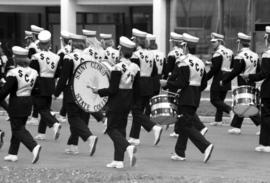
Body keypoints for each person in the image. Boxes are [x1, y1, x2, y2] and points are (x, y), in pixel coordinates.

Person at [160, 33, 214, 163]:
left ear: (185, 46)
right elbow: (204, 83)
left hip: (185, 97)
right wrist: (195, 91)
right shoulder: (200, 62)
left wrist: (166, 84)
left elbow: (181, 83)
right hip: (195, 96)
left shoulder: (183, 62)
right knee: (185, 123)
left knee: (185, 124)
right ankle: (180, 152)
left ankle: (206, 146)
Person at [92, 36, 140, 169]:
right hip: (128, 99)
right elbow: (137, 88)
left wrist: (98, 91)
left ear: (121, 51)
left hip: (117, 100)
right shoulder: (135, 67)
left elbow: (112, 90)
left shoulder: (117, 68)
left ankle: (127, 147)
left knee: (111, 128)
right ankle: (118, 160)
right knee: (121, 129)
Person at [54, 33, 98, 155]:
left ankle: (89, 137)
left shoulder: (70, 57)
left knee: (73, 118)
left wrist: (56, 93)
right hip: (86, 91)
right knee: (81, 119)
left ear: (72, 43)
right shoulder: (90, 58)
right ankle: (73, 145)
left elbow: (64, 78)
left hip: (72, 90)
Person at [0, 46, 41, 163]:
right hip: (28, 101)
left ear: (16, 59)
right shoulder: (34, 72)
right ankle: (13, 153)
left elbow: (5, 91)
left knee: (18, 129)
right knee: (18, 127)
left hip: (16, 102)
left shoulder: (13, 73)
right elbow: (37, 90)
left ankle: (34, 147)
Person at [128, 28, 163, 146]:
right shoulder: (150, 54)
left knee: (136, 111)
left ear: (136, 41)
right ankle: (134, 137)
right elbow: (154, 73)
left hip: (138, 84)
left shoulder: (135, 55)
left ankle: (153, 127)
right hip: (148, 84)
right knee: (139, 110)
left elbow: (134, 72)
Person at [222, 32, 261, 134]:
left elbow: (235, 71)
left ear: (239, 42)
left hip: (243, 82)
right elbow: (259, 70)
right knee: (242, 104)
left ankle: (263, 125)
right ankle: (236, 126)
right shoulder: (255, 55)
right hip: (252, 81)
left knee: (247, 105)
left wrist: (224, 80)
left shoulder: (240, 56)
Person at [30, 30, 62, 141]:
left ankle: (54, 123)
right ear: (49, 43)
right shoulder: (56, 57)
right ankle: (41, 133)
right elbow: (58, 73)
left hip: (39, 83)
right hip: (51, 83)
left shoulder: (36, 56)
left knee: (41, 108)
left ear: (40, 44)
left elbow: (33, 72)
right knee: (46, 108)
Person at [244, 26, 270, 152]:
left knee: (266, 117)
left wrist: (249, 77)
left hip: (269, 91)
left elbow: (264, 74)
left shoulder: (267, 54)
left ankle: (265, 144)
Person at [207, 32, 234, 126]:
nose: (212, 44)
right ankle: (218, 120)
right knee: (220, 100)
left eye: (214, 42)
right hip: (227, 77)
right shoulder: (230, 52)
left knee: (214, 99)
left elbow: (214, 69)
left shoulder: (218, 53)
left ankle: (230, 110)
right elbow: (232, 65)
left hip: (219, 77)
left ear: (219, 41)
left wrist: (205, 78)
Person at [57, 31, 72, 123]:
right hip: (73, 75)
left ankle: (63, 114)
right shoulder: (72, 48)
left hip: (65, 75)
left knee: (66, 95)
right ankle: (62, 113)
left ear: (63, 41)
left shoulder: (62, 51)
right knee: (67, 95)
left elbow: (59, 65)